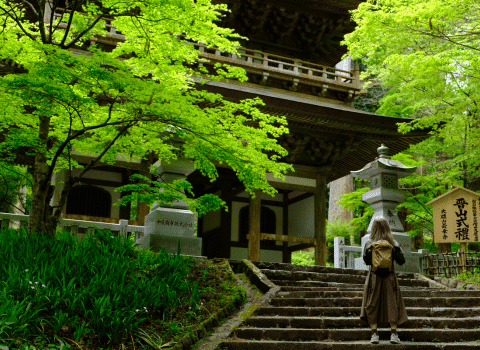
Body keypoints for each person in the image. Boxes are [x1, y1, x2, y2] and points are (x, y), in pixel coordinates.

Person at [360, 218, 408, 344]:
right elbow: (402, 261)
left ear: (373, 228)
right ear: (387, 227)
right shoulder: (393, 243)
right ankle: (393, 333)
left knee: (372, 302)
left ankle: (374, 334)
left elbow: (366, 261)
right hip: (390, 276)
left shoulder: (369, 243)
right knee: (392, 302)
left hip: (374, 276)